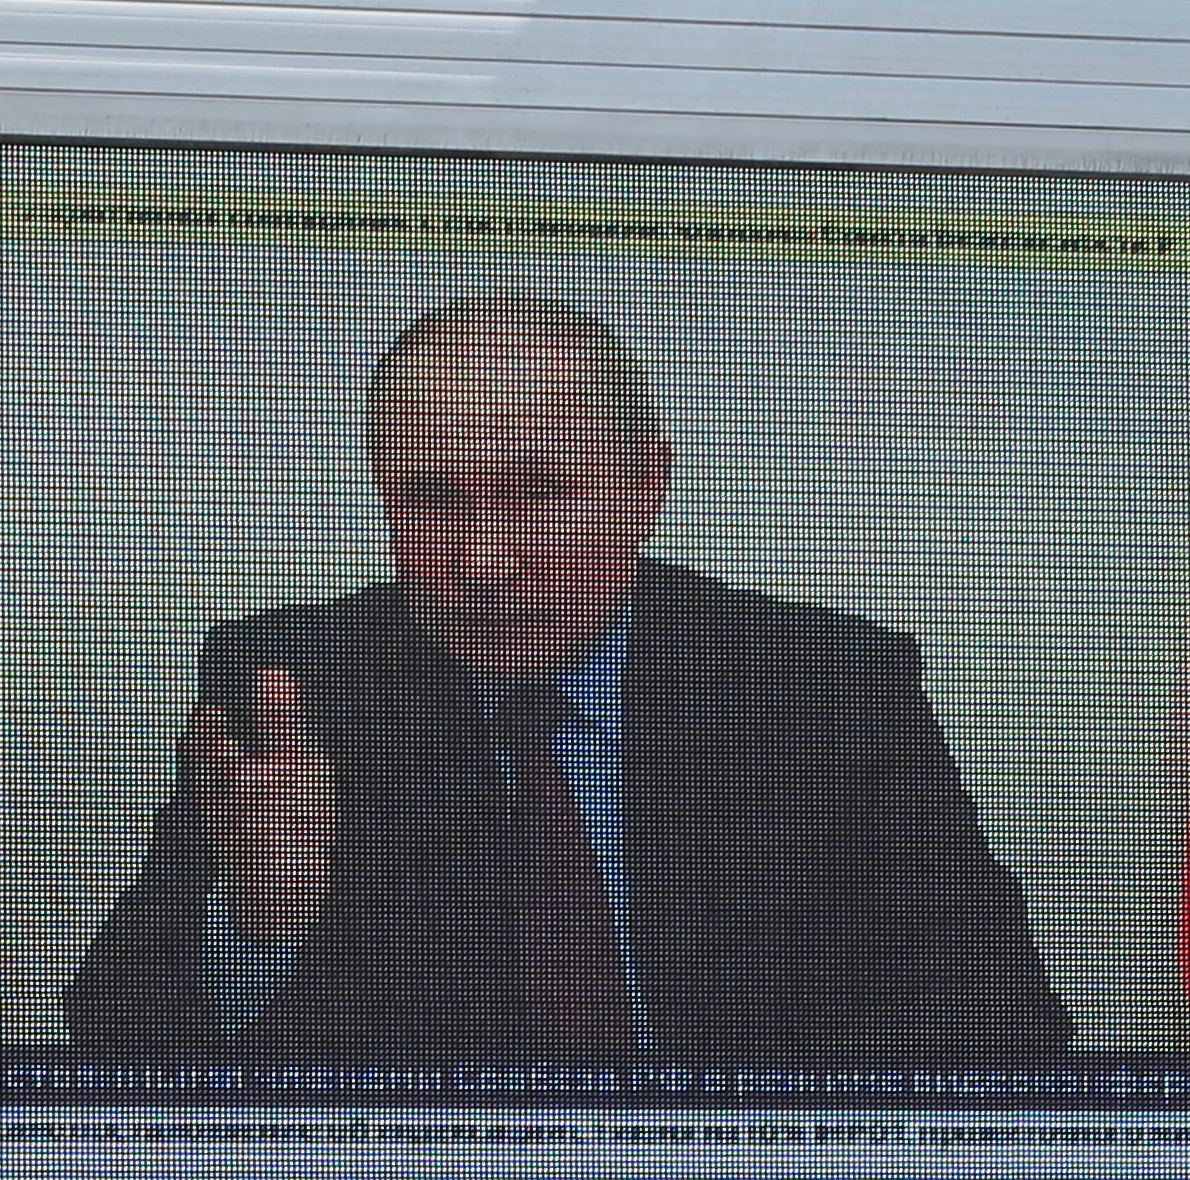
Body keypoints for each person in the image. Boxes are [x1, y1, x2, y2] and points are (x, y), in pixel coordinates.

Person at [63, 295, 1071, 1060]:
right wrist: (257, 928)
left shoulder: (821, 687)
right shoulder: (297, 687)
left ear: (647, 485)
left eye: (537, 493)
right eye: (431, 499)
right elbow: (114, 1031)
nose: (482, 563)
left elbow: (1001, 1019)